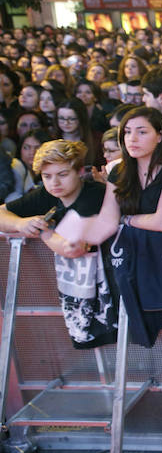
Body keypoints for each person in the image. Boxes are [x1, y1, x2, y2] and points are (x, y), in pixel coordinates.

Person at [83, 107, 162, 348]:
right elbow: (107, 219)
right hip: (130, 258)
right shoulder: (119, 170)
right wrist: (78, 239)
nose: (132, 139)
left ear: (160, 136)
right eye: (127, 132)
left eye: (142, 132)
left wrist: (126, 220)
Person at [0, 140, 116, 349]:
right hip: (77, 292)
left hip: (112, 288)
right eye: (47, 176)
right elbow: (1, 212)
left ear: (80, 171)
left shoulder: (95, 194)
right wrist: (20, 223)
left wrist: (43, 231)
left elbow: (73, 248)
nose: (54, 183)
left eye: (62, 174)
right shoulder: (46, 194)